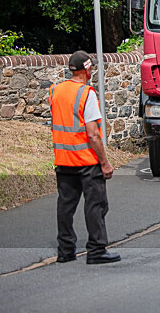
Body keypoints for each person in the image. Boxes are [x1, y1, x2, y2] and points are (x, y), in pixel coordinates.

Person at [50, 51, 120, 265]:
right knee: (95, 205)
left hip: (63, 160)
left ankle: (65, 250)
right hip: (86, 161)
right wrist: (105, 163)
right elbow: (92, 134)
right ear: (87, 69)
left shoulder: (55, 90)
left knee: (65, 206)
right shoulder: (86, 93)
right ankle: (96, 250)